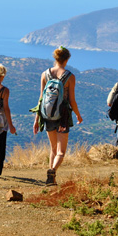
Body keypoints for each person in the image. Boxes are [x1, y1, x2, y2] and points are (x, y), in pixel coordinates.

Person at [33, 46, 83, 186]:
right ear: (67, 59)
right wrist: (78, 115)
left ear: (55, 58)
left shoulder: (45, 74)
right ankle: (52, 171)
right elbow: (72, 100)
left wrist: (37, 120)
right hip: (63, 116)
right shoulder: (70, 76)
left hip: (47, 115)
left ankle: (51, 180)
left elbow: (41, 99)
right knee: (61, 151)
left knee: (53, 148)